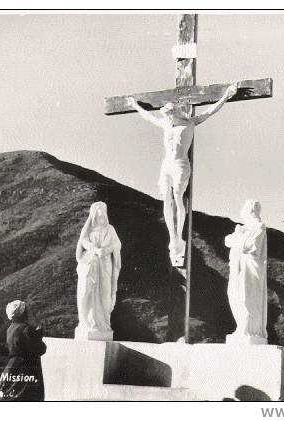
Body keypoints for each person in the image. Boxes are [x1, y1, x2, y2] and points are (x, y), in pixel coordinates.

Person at [126, 83, 238, 266]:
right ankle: (173, 238)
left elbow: (211, 111)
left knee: (178, 199)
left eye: (169, 114)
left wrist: (226, 95)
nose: (167, 117)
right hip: (167, 165)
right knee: (166, 200)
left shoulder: (190, 123)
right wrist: (135, 105)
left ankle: (179, 236)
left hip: (180, 164)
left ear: (175, 112)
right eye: (166, 115)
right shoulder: (165, 124)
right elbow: (148, 117)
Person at [75, 202, 122, 339]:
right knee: (89, 294)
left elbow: (117, 244)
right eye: (98, 216)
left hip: (106, 265)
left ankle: (104, 324)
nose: (101, 218)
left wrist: (106, 250)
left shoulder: (110, 229)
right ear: (94, 216)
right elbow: (83, 241)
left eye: (103, 216)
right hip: (92, 265)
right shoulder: (88, 230)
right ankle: (89, 323)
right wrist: (94, 248)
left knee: (105, 295)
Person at [224, 200, 268, 341]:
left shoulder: (259, 227)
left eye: (243, 208)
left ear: (250, 211)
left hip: (250, 269)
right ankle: (241, 326)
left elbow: (248, 245)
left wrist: (238, 235)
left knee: (246, 297)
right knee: (233, 293)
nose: (241, 211)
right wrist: (238, 235)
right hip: (239, 267)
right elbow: (227, 241)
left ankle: (249, 329)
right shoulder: (244, 228)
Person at [0, 300, 46, 401]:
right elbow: (41, 349)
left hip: (13, 367)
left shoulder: (10, 329)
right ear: (22, 313)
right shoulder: (27, 329)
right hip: (28, 370)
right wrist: (38, 335)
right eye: (25, 310)